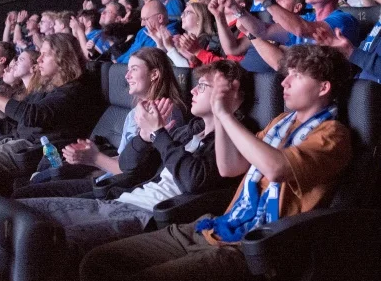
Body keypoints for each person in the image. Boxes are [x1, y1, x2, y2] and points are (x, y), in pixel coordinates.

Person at [79, 45, 353, 281]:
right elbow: (230, 167)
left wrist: (223, 112)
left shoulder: (333, 136)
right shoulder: (280, 123)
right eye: (286, 74)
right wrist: (221, 115)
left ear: (324, 87)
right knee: (98, 264)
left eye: (297, 76)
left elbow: (276, 168)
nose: (284, 83)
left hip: (252, 246)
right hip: (215, 226)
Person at [20, 61, 241, 251]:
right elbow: (129, 166)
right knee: (23, 211)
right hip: (120, 198)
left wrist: (159, 134)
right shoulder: (189, 130)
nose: (193, 91)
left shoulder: (233, 139)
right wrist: (145, 136)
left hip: (144, 214)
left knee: (43, 238)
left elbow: (194, 180)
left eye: (202, 86)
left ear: (230, 94)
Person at [0, 34, 105, 195]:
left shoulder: (73, 89)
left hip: (36, 148)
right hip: (15, 139)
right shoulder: (47, 85)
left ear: (63, 58)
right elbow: (10, 117)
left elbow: (32, 115)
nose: (39, 59)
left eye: (45, 55)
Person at [156, 2, 218, 68]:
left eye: (188, 12)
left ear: (200, 18)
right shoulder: (180, 40)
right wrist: (160, 45)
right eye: (183, 13)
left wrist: (170, 47)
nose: (182, 16)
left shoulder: (207, 42)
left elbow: (188, 72)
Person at [115, 0, 176, 64]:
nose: (142, 24)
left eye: (145, 19)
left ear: (160, 18)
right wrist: (116, 63)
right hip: (122, 67)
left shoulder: (170, 36)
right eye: (141, 19)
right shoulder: (142, 31)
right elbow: (128, 53)